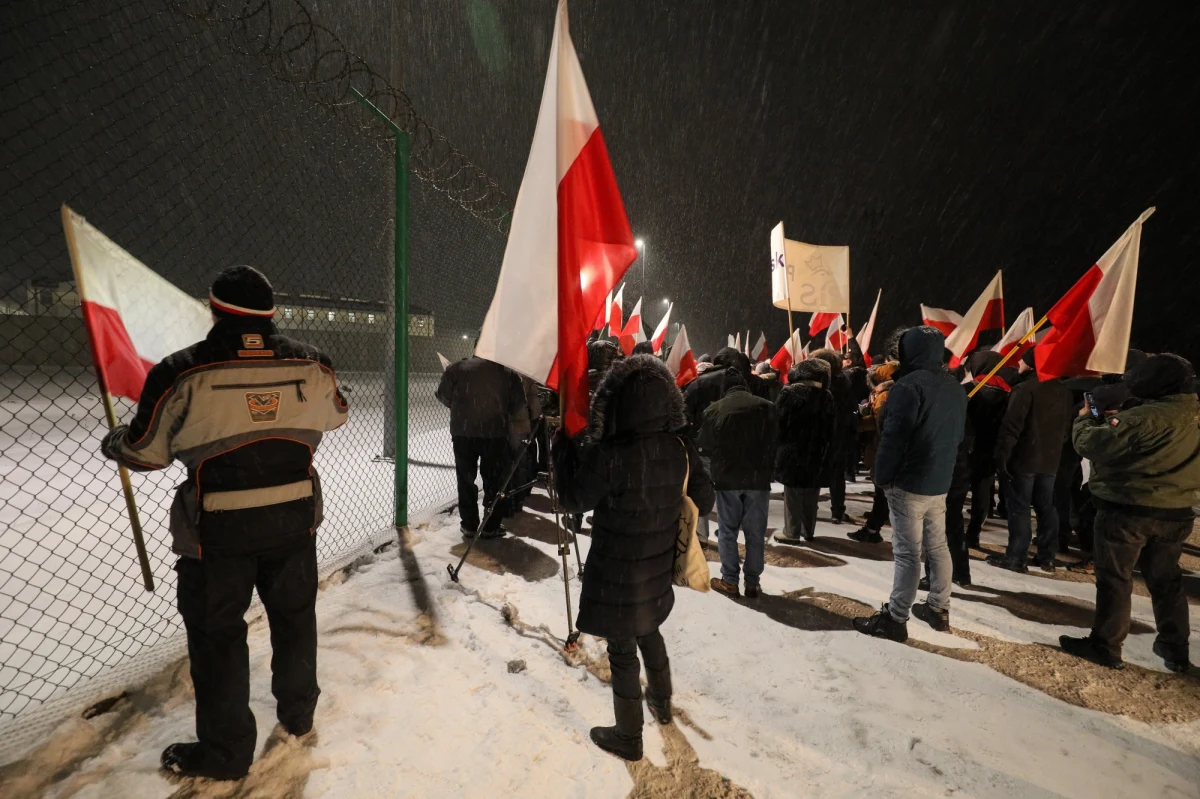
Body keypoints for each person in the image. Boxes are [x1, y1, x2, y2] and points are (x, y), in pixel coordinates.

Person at [99, 266, 348, 780]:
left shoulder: (181, 371)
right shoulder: (313, 363)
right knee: (295, 620)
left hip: (217, 533)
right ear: (271, 312)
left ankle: (227, 753)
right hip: (293, 518)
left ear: (214, 309)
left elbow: (146, 453)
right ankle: (298, 716)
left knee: (218, 640)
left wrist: (115, 442)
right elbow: (336, 416)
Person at [553, 354, 715, 761]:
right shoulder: (679, 447)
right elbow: (705, 499)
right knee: (650, 630)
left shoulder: (609, 454)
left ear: (615, 403)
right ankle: (661, 702)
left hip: (616, 569)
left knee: (622, 648)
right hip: (656, 564)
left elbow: (572, 499)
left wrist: (564, 450)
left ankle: (629, 737)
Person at [1060, 354, 1200, 673]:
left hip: (1129, 510)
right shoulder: (1192, 412)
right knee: (1167, 581)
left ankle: (1106, 645)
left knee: (1115, 579)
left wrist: (1085, 417)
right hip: (1177, 512)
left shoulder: (1145, 417)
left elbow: (1092, 444)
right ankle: (1175, 646)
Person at [853, 327, 966, 641]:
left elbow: (894, 438)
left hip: (910, 480)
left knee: (907, 553)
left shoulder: (908, 386)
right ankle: (939, 607)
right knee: (938, 546)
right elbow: (957, 436)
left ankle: (895, 617)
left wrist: (883, 476)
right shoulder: (954, 386)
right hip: (939, 478)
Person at [989, 349, 1074, 573]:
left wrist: (1002, 456)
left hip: (1024, 459)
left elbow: (1011, 427)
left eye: (1024, 360)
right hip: (1050, 461)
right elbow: (1066, 429)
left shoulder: (1025, 389)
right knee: (1046, 507)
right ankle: (1046, 557)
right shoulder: (1064, 392)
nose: (1019, 363)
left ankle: (1016, 557)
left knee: (1020, 508)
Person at [699, 368, 779, 598]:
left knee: (727, 531)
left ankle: (730, 580)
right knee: (755, 532)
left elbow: (704, 444)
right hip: (758, 477)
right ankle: (753, 582)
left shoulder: (714, 409)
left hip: (727, 478)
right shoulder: (767, 407)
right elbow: (775, 439)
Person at [437, 351, 528, 538]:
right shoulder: (508, 373)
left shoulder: (456, 368)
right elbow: (518, 404)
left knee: (465, 478)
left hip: (463, 432)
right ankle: (491, 524)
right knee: (494, 479)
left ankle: (469, 524)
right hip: (494, 433)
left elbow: (444, 396)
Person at [774, 359, 834, 543]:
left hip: (792, 449)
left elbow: (779, 423)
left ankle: (791, 532)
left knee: (792, 494)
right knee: (811, 494)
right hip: (817, 450)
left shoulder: (789, 393)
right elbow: (831, 427)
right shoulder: (826, 395)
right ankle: (808, 531)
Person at [963, 350, 1011, 549]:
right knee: (983, 494)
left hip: (965, 450)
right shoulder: (1009, 394)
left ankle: (953, 531)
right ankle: (973, 534)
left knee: (956, 492)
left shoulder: (968, 389)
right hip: (990, 451)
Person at [849, 360, 898, 543]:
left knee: (882, 491)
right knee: (884, 492)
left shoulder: (884, 395)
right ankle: (875, 523)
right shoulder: (891, 392)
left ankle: (872, 529)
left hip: (881, 448)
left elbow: (879, 423)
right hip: (884, 448)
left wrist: (859, 422)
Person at [811, 348, 856, 523]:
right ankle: (837, 511)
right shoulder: (844, 381)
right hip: (839, 432)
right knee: (837, 474)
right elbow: (851, 404)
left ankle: (810, 509)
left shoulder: (813, 382)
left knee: (813, 471)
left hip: (818, 432)